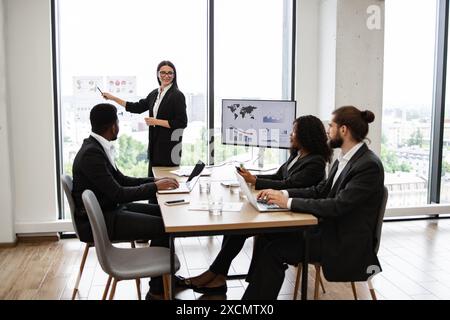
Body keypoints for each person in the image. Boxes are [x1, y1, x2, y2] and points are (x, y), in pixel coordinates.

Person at [241, 106, 385, 300]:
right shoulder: (344, 159)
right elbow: (320, 191)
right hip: (329, 230)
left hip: (342, 240)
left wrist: (289, 202)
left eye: (331, 126)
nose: (327, 130)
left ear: (344, 130)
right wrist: (281, 194)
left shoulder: (368, 165)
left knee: (274, 251)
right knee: (268, 236)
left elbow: (337, 205)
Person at [181, 115, 332, 295]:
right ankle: (218, 277)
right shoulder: (297, 155)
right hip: (281, 211)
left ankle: (215, 274)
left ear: (305, 135)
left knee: (240, 229)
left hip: (293, 218)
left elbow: (290, 185)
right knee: (235, 229)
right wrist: (252, 178)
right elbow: (278, 177)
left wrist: (255, 180)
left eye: (294, 131)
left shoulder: (315, 161)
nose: (290, 135)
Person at [72, 103, 179, 299]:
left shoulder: (95, 146)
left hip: (109, 210)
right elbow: (119, 193)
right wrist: (155, 187)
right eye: (118, 122)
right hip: (104, 220)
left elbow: (121, 180)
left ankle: (165, 276)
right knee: (167, 226)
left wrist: (155, 181)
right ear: (113, 125)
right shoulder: (92, 154)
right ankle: (158, 289)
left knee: (164, 215)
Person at [102, 60, 188, 177]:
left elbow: (182, 123)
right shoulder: (154, 94)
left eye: (170, 73)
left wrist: (155, 121)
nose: (166, 76)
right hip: (154, 147)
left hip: (169, 149)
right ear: (158, 74)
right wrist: (113, 98)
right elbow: (136, 107)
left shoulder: (177, 95)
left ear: (174, 75)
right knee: (153, 185)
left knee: (167, 187)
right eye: (163, 72)